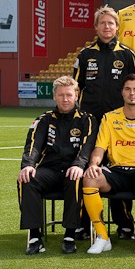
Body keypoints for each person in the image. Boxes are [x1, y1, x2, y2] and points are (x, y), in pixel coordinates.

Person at [74, 5, 135, 240]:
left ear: (117, 27)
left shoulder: (128, 55)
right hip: (90, 124)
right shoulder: (85, 55)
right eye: (102, 23)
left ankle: (125, 225)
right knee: (88, 169)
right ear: (96, 27)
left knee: (118, 169)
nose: (106, 27)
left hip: (118, 124)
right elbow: (76, 88)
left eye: (110, 23)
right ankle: (84, 225)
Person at [81, 74, 135, 255]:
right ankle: (102, 236)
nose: (132, 93)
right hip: (117, 171)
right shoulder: (109, 118)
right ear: (121, 92)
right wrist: (94, 164)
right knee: (90, 178)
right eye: (128, 89)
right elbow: (99, 148)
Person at [18, 76, 98, 254]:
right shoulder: (44, 119)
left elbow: (87, 147)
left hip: (73, 170)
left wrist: (78, 164)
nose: (65, 99)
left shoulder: (87, 119)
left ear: (76, 96)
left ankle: (70, 235)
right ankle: (34, 236)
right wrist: (28, 165)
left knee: (76, 178)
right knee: (27, 178)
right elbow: (33, 145)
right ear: (54, 97)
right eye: (61, 95)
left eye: (69, 95)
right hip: (50, 170)